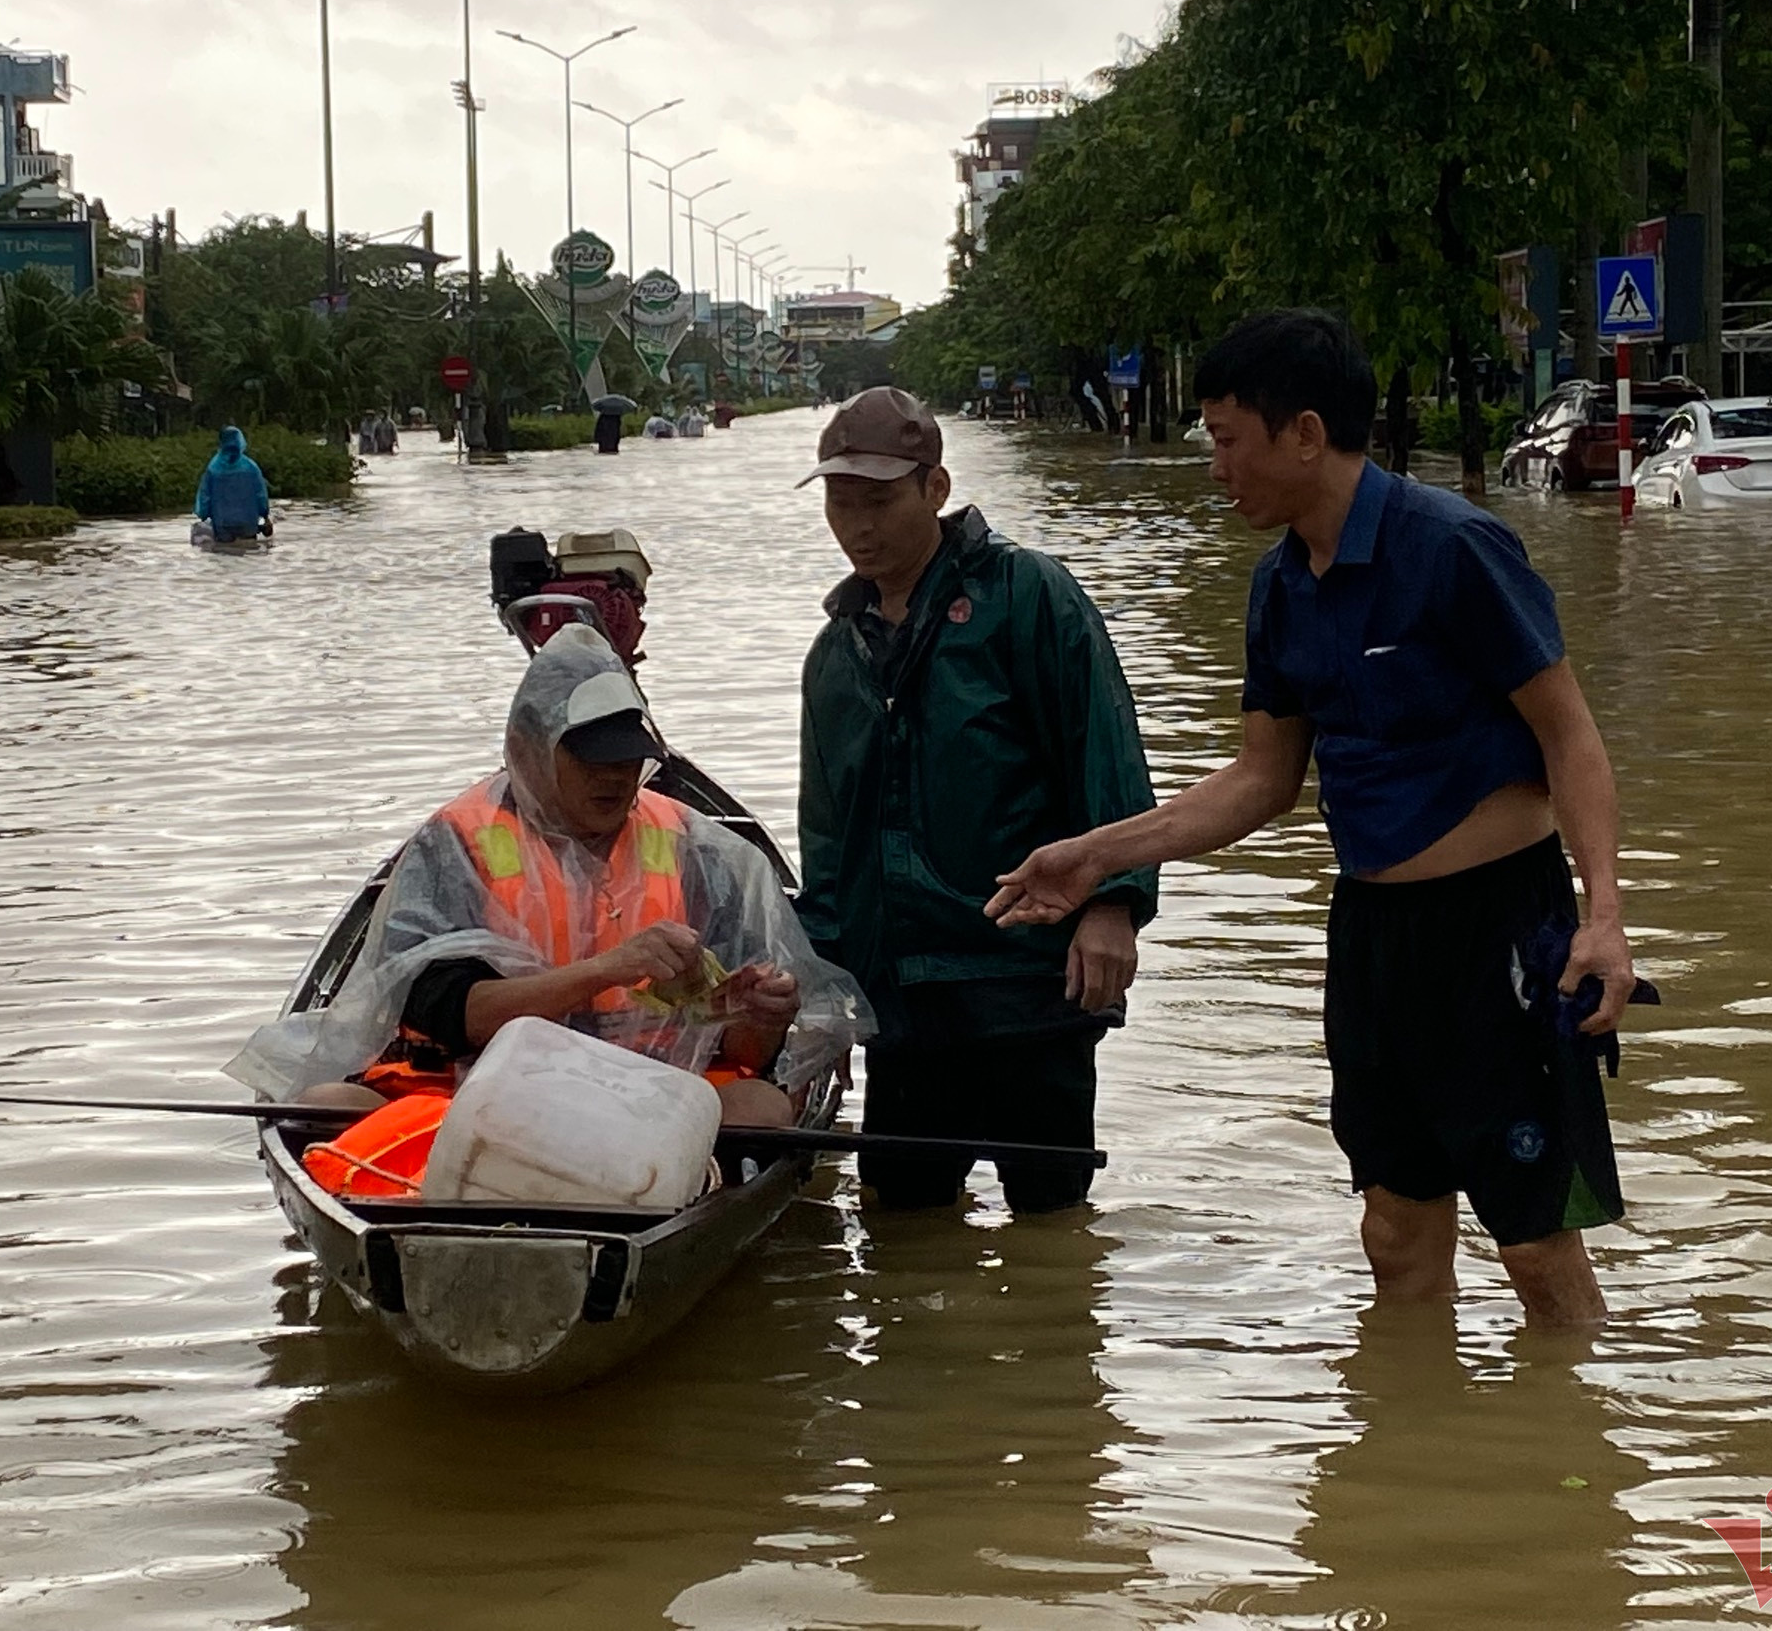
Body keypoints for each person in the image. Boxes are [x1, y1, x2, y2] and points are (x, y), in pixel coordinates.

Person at [989, 309, 1639, 1325]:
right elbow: (1262, 779)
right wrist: (1093, 855)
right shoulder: (1281, 587)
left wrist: (1604, 918)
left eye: (1226, 440)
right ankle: (1414, 1417)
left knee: (1534, 1243)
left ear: (1303, 433)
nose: (1216, 468)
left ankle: (1574, 1417)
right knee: (1393, 1229)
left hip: (1498, 930)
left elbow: (1571, 737)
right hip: (1372, 936)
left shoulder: (1453, 547)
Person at [227, 625, 866, 1132]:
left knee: (761, 1109)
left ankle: (672, 1187)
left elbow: (747, 1053)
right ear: (533, 749)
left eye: (628, 759)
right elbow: (451, 1016)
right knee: (326, 1107)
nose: (614, 776)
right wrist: (610, 968)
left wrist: (765, 1013)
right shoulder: (458, 843)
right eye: (589, 757)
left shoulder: (699, 851)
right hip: (472, 1089)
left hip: (653, 1093)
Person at [796, 386, 1157, 1214]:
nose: (858, 526)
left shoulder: (1026, 596)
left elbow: (1104, 756)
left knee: (1053, 1225)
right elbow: (829, 839)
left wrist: (1114, 907)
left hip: (1026, 982)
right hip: (902, 998)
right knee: (901, 1223)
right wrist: (821, 984)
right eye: (841, 503)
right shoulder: (835, 655)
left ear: (935, 488)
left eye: (879, 501)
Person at [195, 425, 271, 539]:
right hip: (248, 523)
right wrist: (265, 516)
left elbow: (204, 497)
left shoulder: (213, 468)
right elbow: (261, 495)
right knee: (250, 549)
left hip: (222, 524)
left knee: (223, 549)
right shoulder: (251, 467)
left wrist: (204, 515)